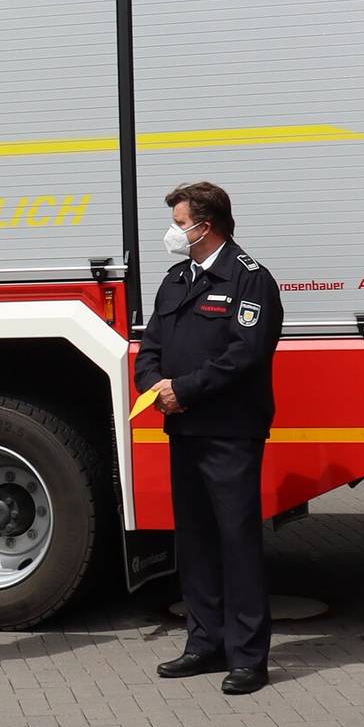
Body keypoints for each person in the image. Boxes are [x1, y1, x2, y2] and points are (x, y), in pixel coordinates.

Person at [137, 180, 283, 694]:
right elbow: (151, 342)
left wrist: (186, 390)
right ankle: (204, 643)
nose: (174, 233)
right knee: (194, 541)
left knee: (237, 542)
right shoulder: (177, 278)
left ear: (207, 225)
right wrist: (154, 383)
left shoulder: (250, 279)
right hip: (184, 428)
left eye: (180, 224)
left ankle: (248, 657)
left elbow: (245, 355)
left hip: (229, 431)